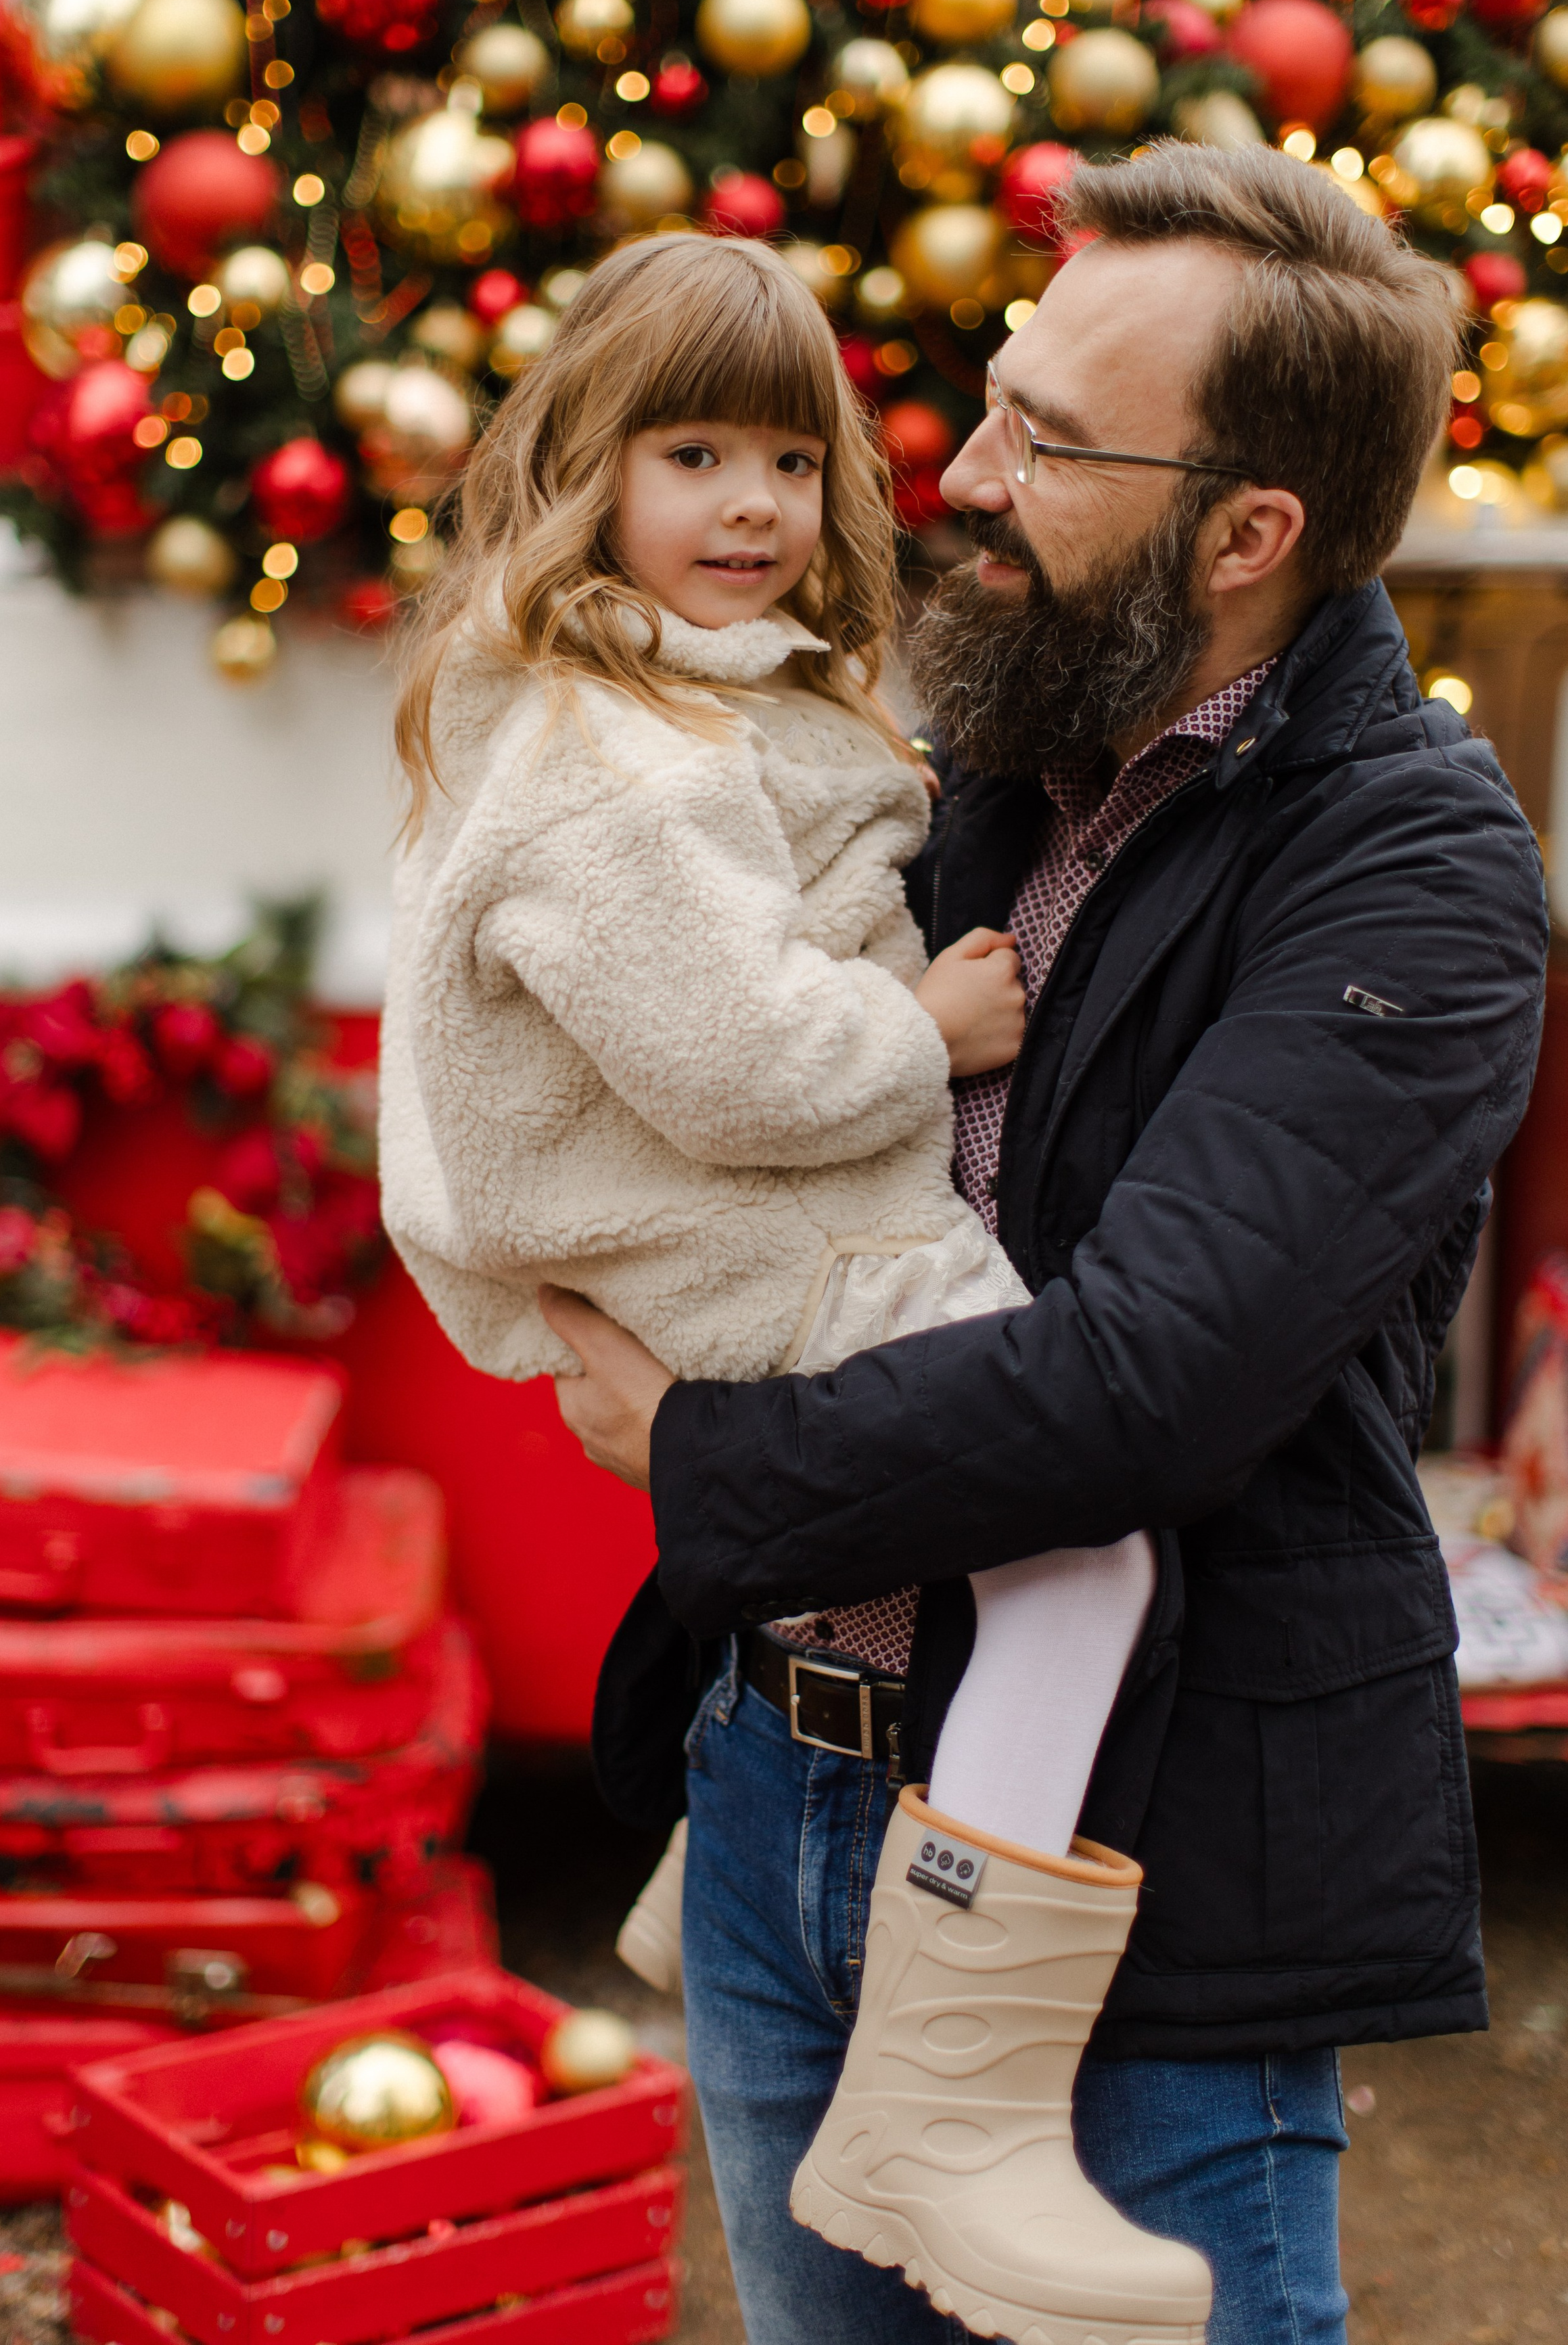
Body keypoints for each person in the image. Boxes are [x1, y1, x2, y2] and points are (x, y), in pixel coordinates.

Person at [545, 143, 1551, 2345]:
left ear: (1248, 531)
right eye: (991, 396)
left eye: (1046, 439)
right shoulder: (972, 764)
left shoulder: (1413, 876)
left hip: (1140, 1880)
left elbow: (1150, 1386)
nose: (963, 472)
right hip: (779, 1782)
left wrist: (704, 1457)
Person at [377, 226, 1213, 2339]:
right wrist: (925, 1033)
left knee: (989, 1548)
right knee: (1085, 1549)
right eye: (689, 455)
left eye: (782, 456)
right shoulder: (609, 758)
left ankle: (730, 1894)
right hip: (740, 1228)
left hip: (730, 1212)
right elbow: (737, 1062)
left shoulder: (674, 704)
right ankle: (953, 2098)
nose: (748, 507)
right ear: (591, 471)